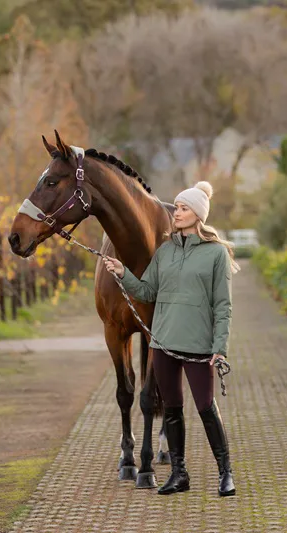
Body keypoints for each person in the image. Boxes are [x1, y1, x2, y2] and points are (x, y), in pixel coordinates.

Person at [102, 181, 240, 497]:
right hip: (162, 344)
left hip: (198, 346)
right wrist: (123, 273)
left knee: (206, 407)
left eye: (182, 208)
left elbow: (223, 305)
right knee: (173, 409)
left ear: (198, 215)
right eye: (176, 207)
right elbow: (148, 291)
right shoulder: (165, 252)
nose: (175, 213)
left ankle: (225, 473)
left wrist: (220, 348)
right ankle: (179, 474)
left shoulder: (216, 254)